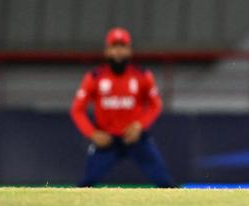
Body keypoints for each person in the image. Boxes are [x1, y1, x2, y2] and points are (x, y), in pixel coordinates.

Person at [70, 27, 175, 187]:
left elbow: (155, 105)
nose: (118, 52)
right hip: (106, 140)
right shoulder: (94, 78)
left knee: (166, 184)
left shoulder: (142, 76)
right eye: (114, 46)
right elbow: (77, 110)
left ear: (129, 51)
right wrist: (93, 134)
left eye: (122, 46)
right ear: (107, 51)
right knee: (85, 186)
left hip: (135, 139)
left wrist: (140, 125)